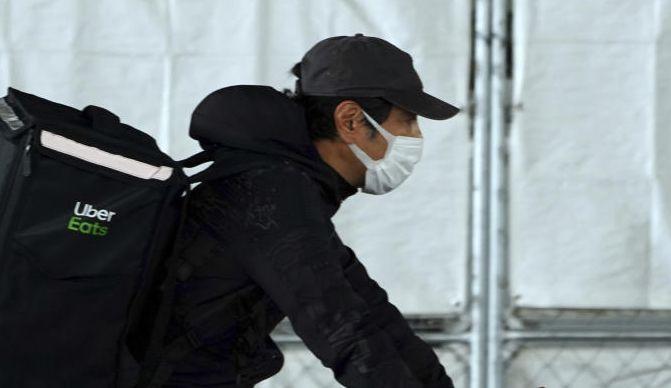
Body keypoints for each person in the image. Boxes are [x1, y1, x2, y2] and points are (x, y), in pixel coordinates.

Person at [151, 34, 459, 388]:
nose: (416, 135)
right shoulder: (269, 195)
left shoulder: (288, 187)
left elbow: (371, 312)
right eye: (407, 121)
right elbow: (343, 330)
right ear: (351, 121)